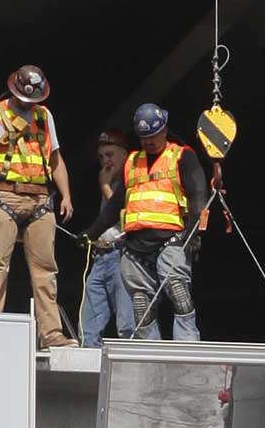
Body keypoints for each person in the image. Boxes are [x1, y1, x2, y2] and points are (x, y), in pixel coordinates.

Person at [0, 64, 77, 349]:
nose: (30, 104)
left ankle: (51, 334)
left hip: (41, 200)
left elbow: (55, 159)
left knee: (45, 271)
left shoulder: (44, 116)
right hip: (4, 197)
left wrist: (66, 195)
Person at [81, 103, 207, 340]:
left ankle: (188, 347)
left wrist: (194, 232)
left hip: (170, 238)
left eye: (153, 136)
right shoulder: (132, 162)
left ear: (164, 130)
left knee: (178, 291)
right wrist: (92, 231)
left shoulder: (181, 156)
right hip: (136, 245)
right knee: (141, 304)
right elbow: (117, 204)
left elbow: (198, 194)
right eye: (144, 137)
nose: (149, 142)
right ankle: (150, 353)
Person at [79, 129, 135, 346]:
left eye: (110, 155)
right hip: (100, 256)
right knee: (88, 327)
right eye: (101, 157)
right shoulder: (110, 181)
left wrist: (104, 186)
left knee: (127, 324)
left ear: (124, 155)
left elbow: (127, 217)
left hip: (122, 254)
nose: (105, 162)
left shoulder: (132, 181)